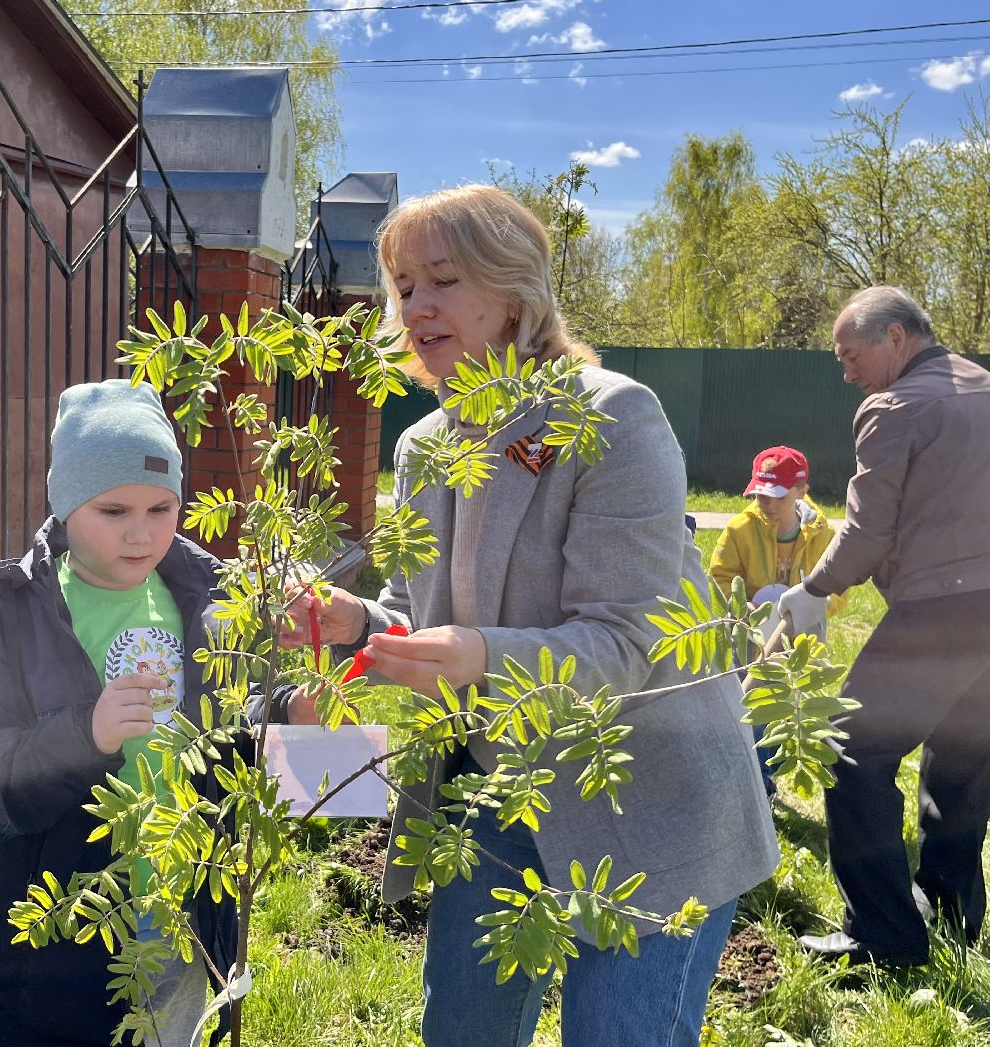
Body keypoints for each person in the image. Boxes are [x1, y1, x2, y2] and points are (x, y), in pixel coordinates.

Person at [278, 185, 778, 1047]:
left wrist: (476, 655)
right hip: (491, 793)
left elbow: (627, 638)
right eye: (403, 287)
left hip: (646, 802)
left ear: (515, 292)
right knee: (461, 1031)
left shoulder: (609, 416)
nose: (417, 305)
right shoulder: (425, 443)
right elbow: (420, 611)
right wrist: (351, 619)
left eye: (443, 279)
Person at [0, 380, 236, 1047]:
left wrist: (292, 717)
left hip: (183, 915)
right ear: (67, 506)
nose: (141, 532)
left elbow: (231, 739)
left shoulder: (203, 601)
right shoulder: (7, 627)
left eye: (162, 508)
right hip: (68, 943)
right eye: (114, 509)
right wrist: (84, 736)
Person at [779, 286, 990, 967]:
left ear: (896, 337)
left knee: (852, 752)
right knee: (962, 756)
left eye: (850, 355)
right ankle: (951, 912)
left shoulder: (895, 405)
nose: (846, 372)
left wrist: (812, 590)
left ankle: (883, 934)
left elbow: (869, 533)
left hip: (941, 609)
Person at [711, 445, 846, 794]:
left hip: (798, 636)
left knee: (786, 705)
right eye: (760, 495)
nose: (767, 504)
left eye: (777, 496)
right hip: (749, 634)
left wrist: (811, 610)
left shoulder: (822, 535)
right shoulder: (741, 529)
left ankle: (774, 773)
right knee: (751, 699)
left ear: (802, 491)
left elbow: (839, 587)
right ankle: (754, 782)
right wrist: (740, 605)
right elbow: (719, 577)